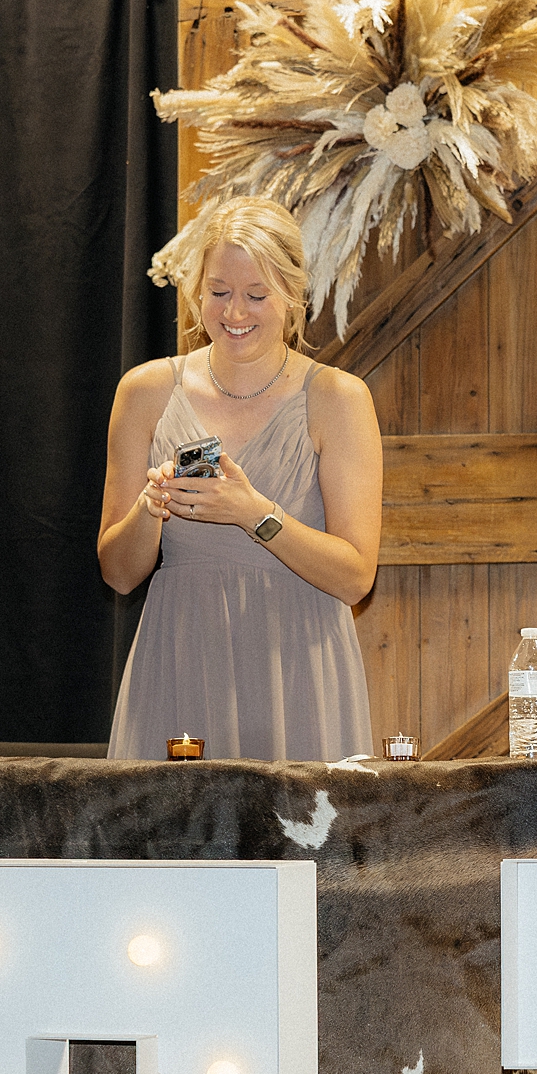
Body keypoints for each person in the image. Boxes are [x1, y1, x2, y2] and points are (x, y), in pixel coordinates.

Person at [99, 197, 379, 760]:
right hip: (180, 663)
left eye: (256, 295)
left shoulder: (337, 398)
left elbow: (355, 579)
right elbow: (119, 573)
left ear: (293, 296)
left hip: (299, 671)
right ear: (196, 292)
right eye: (219, 291)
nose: (234, 312)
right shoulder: (145, 391)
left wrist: (255, 513)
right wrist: (151, 508)